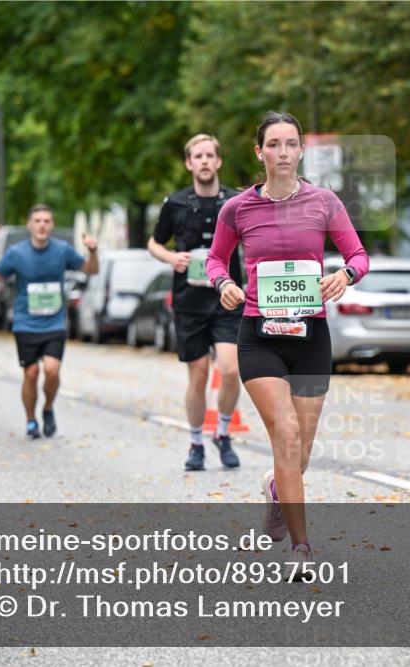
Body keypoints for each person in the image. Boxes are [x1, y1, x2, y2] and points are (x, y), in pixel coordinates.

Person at [205, 111, 369, 572]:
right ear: (260, 152)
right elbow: (215, 261)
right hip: (259, 335)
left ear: (301, 151)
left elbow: (358, 253)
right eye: (272, 144)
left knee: (301, 454)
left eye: (290, 144)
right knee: (287, 435)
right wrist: (224, 284)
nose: (282, 152)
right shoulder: (237, 209)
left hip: (310, 335)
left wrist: (345, 273)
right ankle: (302, 549)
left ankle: (278, 488)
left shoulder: (324, 203)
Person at [148, 134, 244, 471]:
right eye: (197, 156)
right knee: (199, 374)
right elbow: (154, 242)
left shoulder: (236, 201)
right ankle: (195, 442)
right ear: (189, 163)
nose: (204, 161)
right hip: (189, 301)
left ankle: (222, 432)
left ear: (218, 161)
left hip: (228, 298)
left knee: (231, 370)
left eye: (209, 155)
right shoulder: (174, 204)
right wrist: (170, 257)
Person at [0, 205, 98, 440]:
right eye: (37, 220)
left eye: (46, 221)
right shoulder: (17, 253)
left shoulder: (63, 250)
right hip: (26, 322)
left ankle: (47, 408)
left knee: (52, 371)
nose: (42, 225)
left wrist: (93, 252)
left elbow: (90, 270)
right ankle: (31, 420)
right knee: (32, 373)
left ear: (52, 225)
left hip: (54, 322)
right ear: (29, 225)